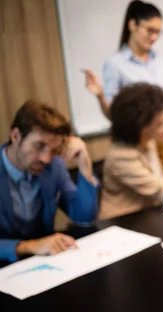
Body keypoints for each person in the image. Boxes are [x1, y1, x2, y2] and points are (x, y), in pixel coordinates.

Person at [83, 0, 163, 175]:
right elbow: (113, 114)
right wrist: (100, 96)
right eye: (150, 30)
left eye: (158, 32)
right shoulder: (115, 64)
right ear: (133, 25)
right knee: (153, 193)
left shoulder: (158, 61)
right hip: (138, 142)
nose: (154, 37)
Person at [0, 101, 99, 264]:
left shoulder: (54, 165)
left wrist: (84, 164)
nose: (46, 158)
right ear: (16, 136)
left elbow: (84, 217)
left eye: (53, 150)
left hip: (46, 263)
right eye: (39, 146)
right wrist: (28, 246)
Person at [99, 83, 163, 219]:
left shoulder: (147, 140)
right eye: (159, 124)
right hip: (122, 222)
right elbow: (159, 190)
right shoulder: (120, 157)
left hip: (148, 216)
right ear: (141, 127)